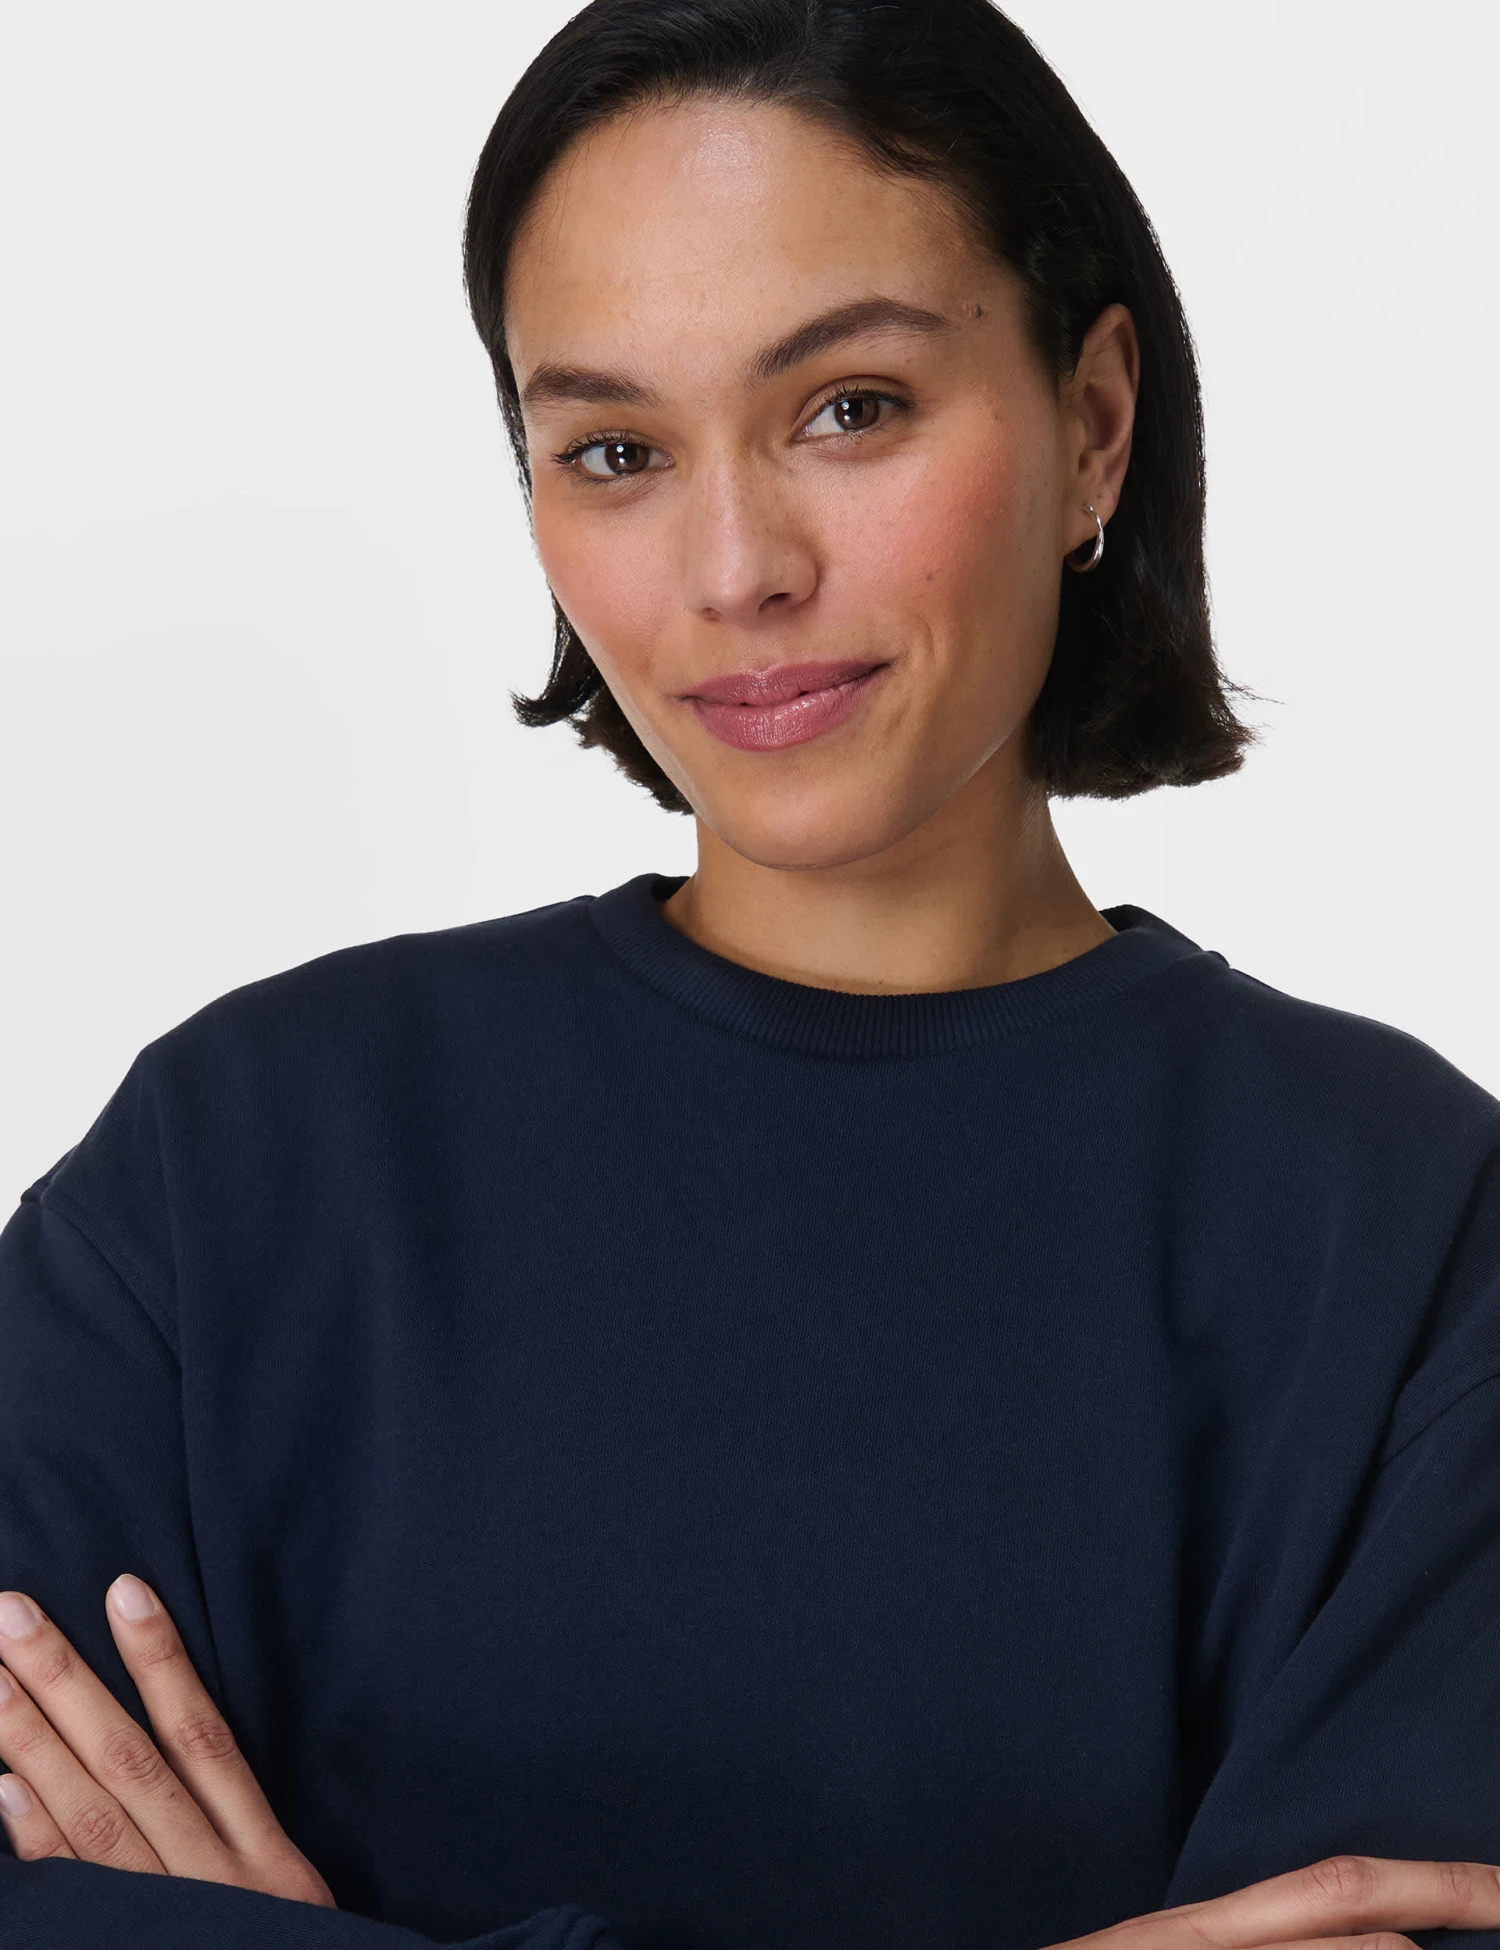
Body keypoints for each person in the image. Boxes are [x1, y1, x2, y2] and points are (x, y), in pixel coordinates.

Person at [2, 1, 1499, 1946]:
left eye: (849, 406)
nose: (735, 568)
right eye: (615, 449)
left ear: (1094, 424)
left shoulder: (1412, 1234)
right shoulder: (241, 1167)